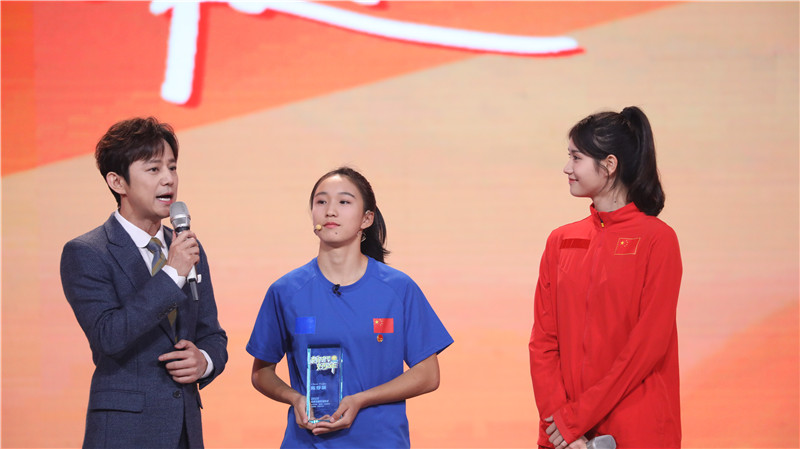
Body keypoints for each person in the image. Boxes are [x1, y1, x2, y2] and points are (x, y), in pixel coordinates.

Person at [247, 167, 453, 448]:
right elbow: (261, 372)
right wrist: (294, 398)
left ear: (366, 218)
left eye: (344, 202)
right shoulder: (286, 291)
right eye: (321, 201)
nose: (330, 211)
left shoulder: (398, 288)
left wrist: (361, 400)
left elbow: (428, 375)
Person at [60, 117, 228, 449]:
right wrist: (172, 274)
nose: (168, 179)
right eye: (153, 169)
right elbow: (109, 336)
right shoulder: (87, 252)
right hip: (125, 432)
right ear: (117, 182)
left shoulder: (186, 246)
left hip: (184, 431)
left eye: (172, 167)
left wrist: (205, 361)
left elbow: (211, 333)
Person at [529, 107, 682, 449]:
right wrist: (558, 421)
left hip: (636, 430)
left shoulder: (657, 240)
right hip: (564, 435)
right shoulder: (560, 240)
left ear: (610, 164)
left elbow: (647, 347)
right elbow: (543, 342)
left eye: (576, 157)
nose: (567, 168)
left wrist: (575, 419)